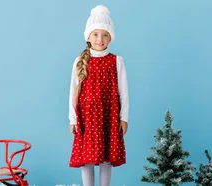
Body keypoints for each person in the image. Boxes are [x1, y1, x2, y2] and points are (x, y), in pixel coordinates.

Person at [67, 4, 128, 186]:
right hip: (86, 118)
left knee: (106, 158)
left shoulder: (117, 61)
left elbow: (123, 92)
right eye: (95, 34)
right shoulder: (80, 61)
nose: (100, 39)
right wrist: (73, 119)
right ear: (88, 36)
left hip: (109, 115)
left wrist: (123, 118)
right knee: (87, 158)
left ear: (110, 37)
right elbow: (73, 91)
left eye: (104, 34)